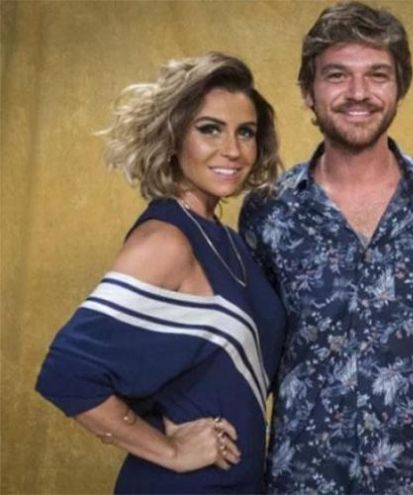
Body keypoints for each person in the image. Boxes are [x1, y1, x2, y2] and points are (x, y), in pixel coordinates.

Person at [239, 2, 413, 493]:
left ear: (399, 88)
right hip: (305, 478)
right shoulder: (269, 210)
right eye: (337, 75)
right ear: (308, 92)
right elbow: (242, 338)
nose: (358, 93)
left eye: (377, 74)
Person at [36, 52, 286, 494]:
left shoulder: (230, 242)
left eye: (245, 132)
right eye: (210, 129)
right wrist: (169, 451)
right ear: (173, 137)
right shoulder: (166, 240)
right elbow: (66, 374)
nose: (232, 150)